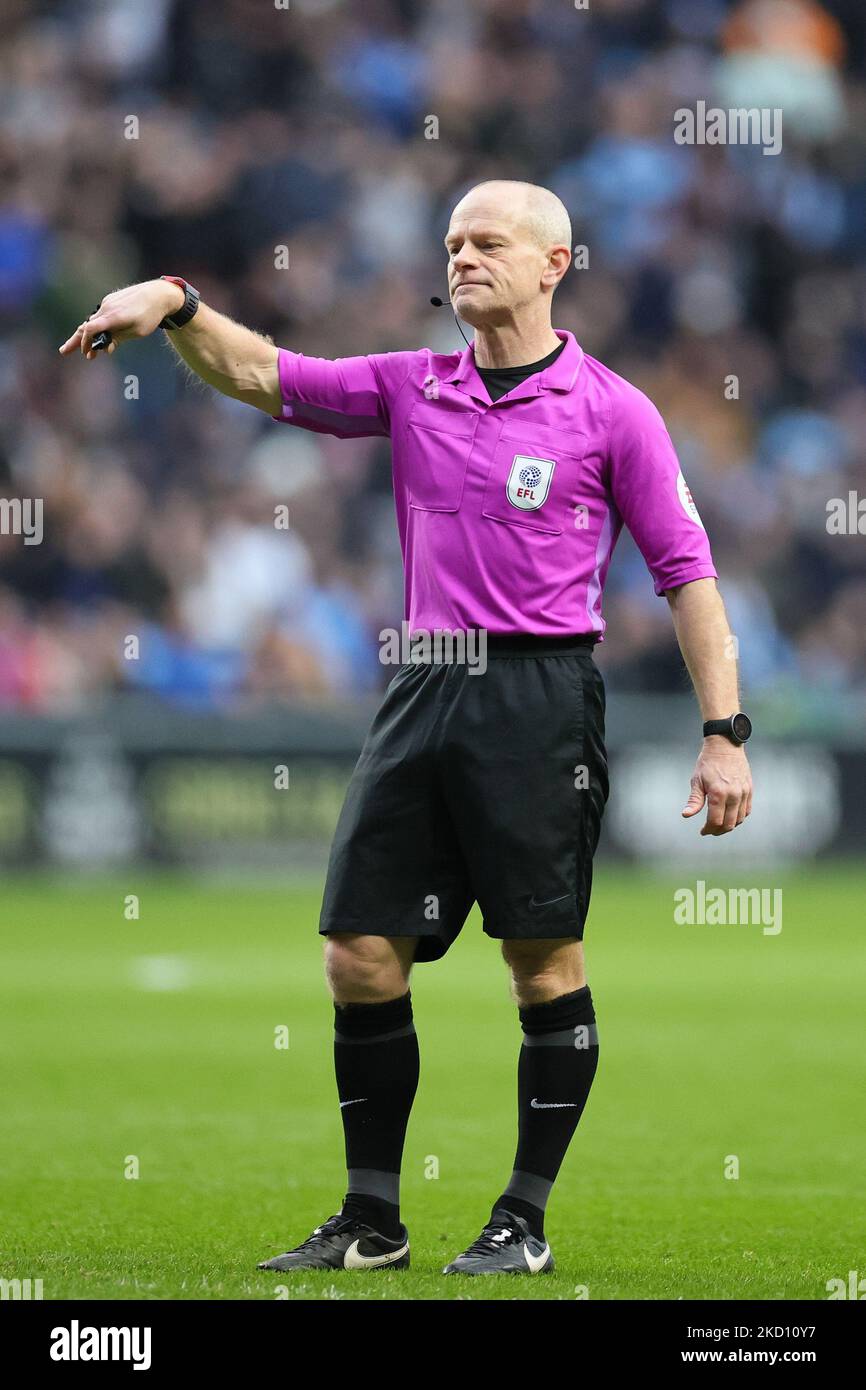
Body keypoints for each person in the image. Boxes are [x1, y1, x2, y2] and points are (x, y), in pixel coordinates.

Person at [60, 180, 753, 1277]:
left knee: (540, 961)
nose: (462, 257)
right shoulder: (411, 384)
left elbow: (687, 574)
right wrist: (179, 305)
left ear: (551, 263)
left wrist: (724, 729)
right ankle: (371, 1220)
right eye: (451, 242)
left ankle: (519, 1219)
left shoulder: (613, 408)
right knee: (358, 953)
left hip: (538, 694)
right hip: (421, 686)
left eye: (487, 242)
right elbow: (266, 376)